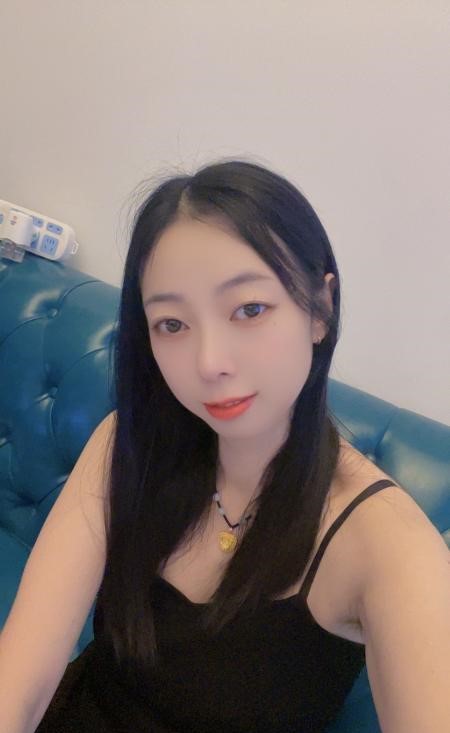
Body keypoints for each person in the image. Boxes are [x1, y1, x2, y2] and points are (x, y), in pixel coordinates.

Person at [1, 160, 448, 733]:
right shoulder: (127, 445)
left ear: (320, 308)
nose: (210, 363)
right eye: (172, 324)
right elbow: (22, 679)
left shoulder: (388, 544)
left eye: (249, 310)